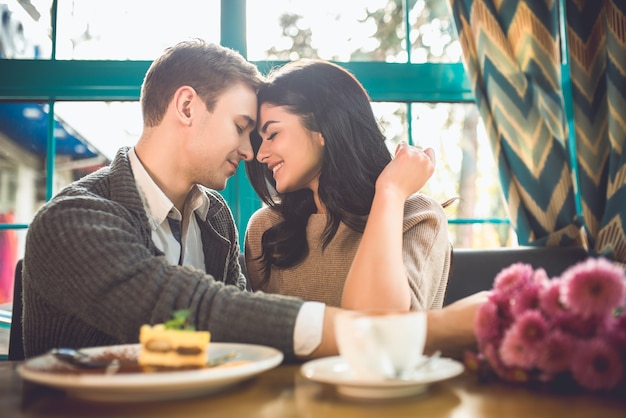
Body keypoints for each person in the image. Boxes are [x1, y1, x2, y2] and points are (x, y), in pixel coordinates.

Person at [22, 39, 486, 362]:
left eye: (261, 134)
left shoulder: (215, 218)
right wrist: (432, 330)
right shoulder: (72, 218)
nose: (251, 154)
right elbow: (196, 312)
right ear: (187, 107)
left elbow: (241, 343)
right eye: (242, 128)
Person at [245, 60, 450, 311]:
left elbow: (381, 330)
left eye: (273, 134)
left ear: (323, 127)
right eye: (260, 140)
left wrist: (391, 191)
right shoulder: (266, 229)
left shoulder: (417, 216)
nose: (260, 154)